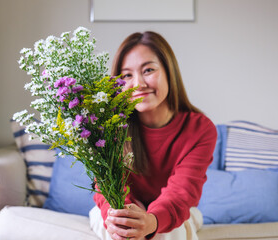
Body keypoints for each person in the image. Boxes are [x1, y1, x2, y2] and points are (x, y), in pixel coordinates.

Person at [89, 31, 217, 240]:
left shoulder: (200, 129)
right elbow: (106, 187)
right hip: (125, 205)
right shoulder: (108, 127)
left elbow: (181, 194)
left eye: (148, 70)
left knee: (169, 231)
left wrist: (151, 222)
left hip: (175, 212)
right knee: (114, 225)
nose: (138, 84)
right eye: (127, 75)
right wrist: (123, 219)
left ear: (169, 72)